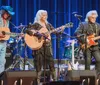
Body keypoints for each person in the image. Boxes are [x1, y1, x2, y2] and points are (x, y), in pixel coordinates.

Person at [0, 6, 15, 74]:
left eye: (9, 14)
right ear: (3, 12)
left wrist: (17, 35)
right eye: (7, 13)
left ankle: (1, 77)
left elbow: (6, 32)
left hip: (3, 42)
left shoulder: (7, 21)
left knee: (2, 61)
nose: (8, 15)